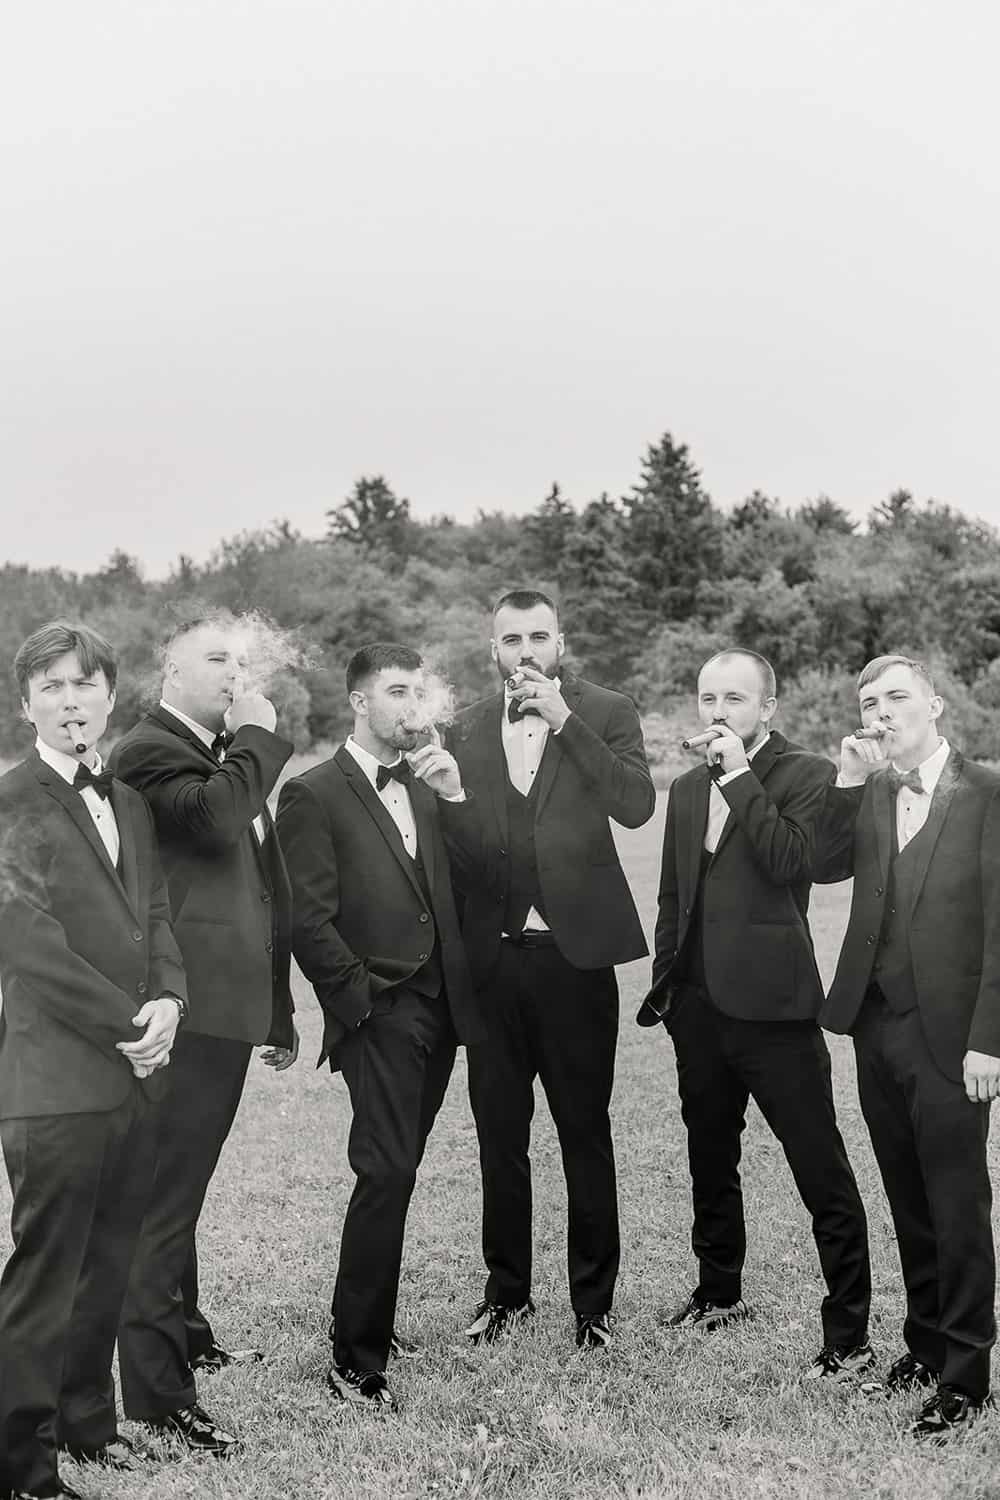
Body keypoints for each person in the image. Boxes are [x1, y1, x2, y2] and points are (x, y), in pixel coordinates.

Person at [636, 649, 872, 1378]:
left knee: (819, 1166)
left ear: (767, 708)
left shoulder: (802, 773)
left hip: (775, 1012)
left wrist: (738, 774)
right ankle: (718, 1291)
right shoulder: (682, 788)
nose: (716, 711)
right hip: (698, 1009)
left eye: (734, 698)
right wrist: (668, 988)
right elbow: (674, 894)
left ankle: (847, 1332)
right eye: (707, 697)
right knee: (710, 1154)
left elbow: (794, 861)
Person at [438, 589, 654, 1351]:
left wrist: (567, 722)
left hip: (576, 961)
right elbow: (455, 844)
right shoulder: (461, 725)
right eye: (510, 640)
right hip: (493, 964)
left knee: (583, 1134)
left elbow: (634, 805)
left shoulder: (609, 708)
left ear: (560, 642)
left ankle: (593, 1308)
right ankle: (508, 1297)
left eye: (537, 637)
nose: (524, 651)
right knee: (500, 1136)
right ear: (491, 647)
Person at [0, 621, 187, 1500]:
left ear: (110, 696)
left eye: (84, 685)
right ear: (25, 703)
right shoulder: (9, 804)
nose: (70, 701)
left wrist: (172, 1002)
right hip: (53, 1087)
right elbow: (29, 950)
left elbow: (157, 919)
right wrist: (132, 1021)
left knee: (108, 1262)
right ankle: (21, 1466)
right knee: (46, 1277)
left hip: (133, 1079)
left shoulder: (132, 802)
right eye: (51, 688)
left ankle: (87, 1426)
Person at [108, 611, 297, 1456]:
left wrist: (280, 1005)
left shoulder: (216, 755)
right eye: (215, 659)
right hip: (180, 1010)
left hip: (223, 1008)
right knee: (165, 1198)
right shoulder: (151, 750)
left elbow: (256, 884)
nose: (234, 673)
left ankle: (186, 1332)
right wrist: (260, 735)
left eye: (241, 661)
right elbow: (221, 821)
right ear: (168, 675)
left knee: (183, 1185)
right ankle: (157, 1397)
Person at [276, 643, 483, 1409]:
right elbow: (308, 918)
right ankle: (355, 1358)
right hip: (380, 1012)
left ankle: (370, 1323)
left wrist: (457, 799)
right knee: (387, 1169)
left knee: (400, 1167)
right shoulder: (313, 794)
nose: (413, 707)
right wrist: (359, 1004)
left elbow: (472, 885)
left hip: (441, 1010)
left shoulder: (430, 781)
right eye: (398, 692)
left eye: (419, 693)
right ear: (360, 702)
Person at [813, 654, 1000, 1439]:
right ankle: (923, 1344)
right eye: (869, 700)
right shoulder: (873, 789)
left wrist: (990, 1042)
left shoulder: (989, 792)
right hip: (875, 1020)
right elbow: (820, 866)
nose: (882, 710)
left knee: (957, 1204)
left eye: (896, 696)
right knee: (907, 1194)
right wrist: (850, 779)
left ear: (935, 706)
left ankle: (965, 1376)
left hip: (957, 1036)